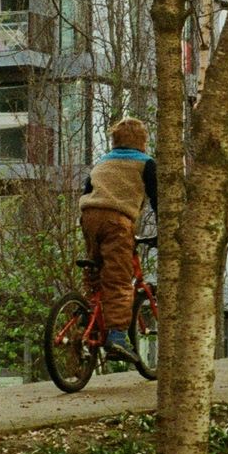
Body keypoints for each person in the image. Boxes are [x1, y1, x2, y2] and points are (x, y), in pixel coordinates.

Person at [80, 117, 157, 361]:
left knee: (96, 271)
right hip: (118, 220)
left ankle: (85, 316)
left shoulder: (102, 162)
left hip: (89, 217)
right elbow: (158, 200)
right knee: (119, 278)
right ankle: (117, 336)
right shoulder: (145, 163)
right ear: (143, 141)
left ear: (115, 140)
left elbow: (87, 191)